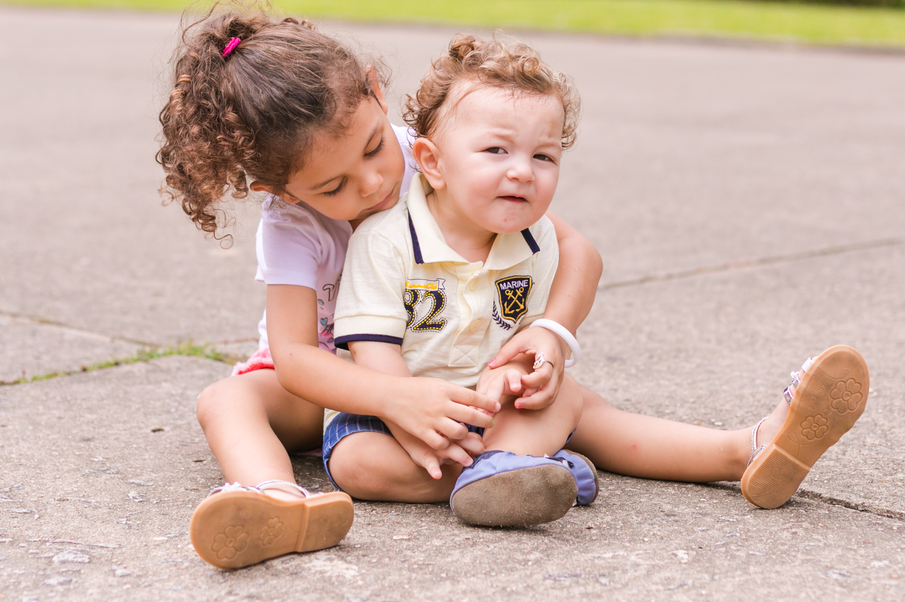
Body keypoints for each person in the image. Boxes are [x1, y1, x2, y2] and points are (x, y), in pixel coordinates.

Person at [325, 34, 871, 524]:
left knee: (564, 399)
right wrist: (411, 417)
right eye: (496, 150)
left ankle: (750, 447)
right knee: (356, 463)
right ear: (433, 163)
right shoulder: (386, 240)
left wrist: (531, 367)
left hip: (497, 415)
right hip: (395, 419)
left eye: (544, 155)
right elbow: (376, 358)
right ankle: (519, 472)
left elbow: (525, 339)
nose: (522, 170)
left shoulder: (535, 240)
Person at [156, 0, 603, 568]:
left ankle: (724, 449)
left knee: (577, 404)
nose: (371, 183)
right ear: (281, 189)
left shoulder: (432, 158)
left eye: (373, 146)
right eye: (334, 185)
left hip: (443, 361)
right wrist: (392, 398)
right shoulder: (292, 225)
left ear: (375, 92)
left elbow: (577, 252)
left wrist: (552, 330)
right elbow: (294, 358)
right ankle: (278, 500)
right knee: (226, 399)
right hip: (338, 387)